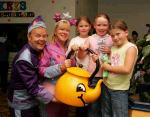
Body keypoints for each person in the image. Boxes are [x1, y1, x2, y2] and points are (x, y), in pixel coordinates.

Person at [7, 16, 56, 117]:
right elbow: (33, 87)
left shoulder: (36, 51)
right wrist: (54, 98)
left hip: (32, 101)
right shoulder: (25, 58)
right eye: (38, 36)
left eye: (44, 36)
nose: (42, 39)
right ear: (29, 37)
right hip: (21, 104)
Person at [99, 20, 138, 117]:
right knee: (106, 114)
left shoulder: (131, 48)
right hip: (106, 85)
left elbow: (126, 69)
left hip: (119, 90)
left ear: (126, 32)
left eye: (118, 34)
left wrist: (108, 67)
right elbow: (113, 62)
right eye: (112, 36)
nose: (115, 38)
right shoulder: (113, 47)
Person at [39, 19, 75, 117]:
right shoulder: (47, 48)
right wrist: (60, 67)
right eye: (61, 29)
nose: (64, 32)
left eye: (67, 30)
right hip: (51, 93)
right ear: (55, 31)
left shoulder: (69, 49)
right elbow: (41, 70)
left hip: (65, 92)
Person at [80, 13, 112, 117]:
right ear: (94, 25)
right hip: (93, 76)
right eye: (99, 25)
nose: (101, 27)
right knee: (93, 106)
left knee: (106, 105)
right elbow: (81, 56)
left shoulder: (112, 38)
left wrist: (110, 51)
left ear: (109, 25)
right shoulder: (90, 38)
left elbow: (118, 56)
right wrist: (81, 49)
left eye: (104, 25)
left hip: (108, 77)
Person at [66, 16, 92, 117]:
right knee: (81, 100)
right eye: (81, 26)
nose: (84, 28)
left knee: (91, 102)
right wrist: (72, 49)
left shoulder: (92, 38)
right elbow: (68, 56)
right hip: (79, 76)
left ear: (90, 27)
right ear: (77, 27)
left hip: (91, 75)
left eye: (86, 25)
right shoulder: (74, 40)